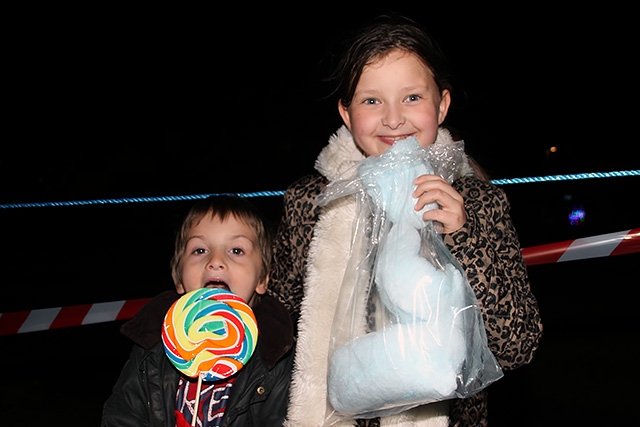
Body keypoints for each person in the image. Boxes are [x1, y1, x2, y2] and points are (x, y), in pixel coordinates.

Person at [267, 13, 543, 427]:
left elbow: (515, 346)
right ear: (346, 112)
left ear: (442, 104)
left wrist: (463, 239)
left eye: (412, 97)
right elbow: (281, 324)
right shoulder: (312, 202)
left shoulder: (478, 203)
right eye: (371, 100)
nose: (393, 119)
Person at [102, 195, 295, 427]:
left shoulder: (276, 355)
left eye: (236, 250)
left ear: (262, 279)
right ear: (179, 277)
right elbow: (123, 416)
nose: (215, 261)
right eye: (200, 250)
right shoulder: (150, 345)